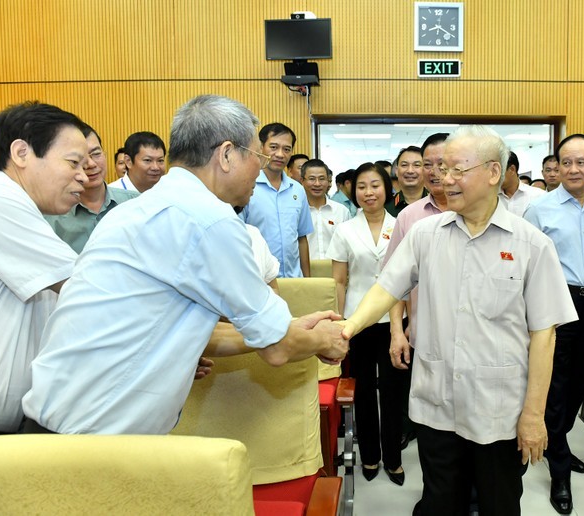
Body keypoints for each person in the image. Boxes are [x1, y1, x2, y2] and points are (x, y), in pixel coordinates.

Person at [21, 95, 348, 435]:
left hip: (56, 428)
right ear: (225, 155)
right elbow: (278, 348)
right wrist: (323, 339)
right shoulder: (208, 220)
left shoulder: (136, 210)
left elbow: (188, 329)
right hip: (92, 442)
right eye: (258, 156)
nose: (262, 168)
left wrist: (289, 327)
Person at [345, 126, 577, 515]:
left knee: (499, 503)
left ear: (491, 173)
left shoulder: (531, 244)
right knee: (440, 502)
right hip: (438, 403)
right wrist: (347, 330)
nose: (443, 179)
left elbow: (544, 336)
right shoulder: (424, 234)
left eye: (456, 169)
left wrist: (534, 416)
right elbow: (386, 289)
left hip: (498, 408)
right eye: (440, 168)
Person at [524, 133, 584, 515]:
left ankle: (556, 443)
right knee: (553, 383)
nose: (573, 169)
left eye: (582, 162)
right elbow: (527, 266)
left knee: (579, 381)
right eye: (566, 162)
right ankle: (560, 469)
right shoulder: (541, 209)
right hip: (554, 302)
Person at [0, 101, 87, 434]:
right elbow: (87, 290)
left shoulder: (22, 207)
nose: (84, 177)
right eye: (73, 162)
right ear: (21, 153)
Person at [327, 162, 404, 485]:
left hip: (392, 320)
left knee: (392, 391)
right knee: (361, 393)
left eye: (375, 185)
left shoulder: (401, 226)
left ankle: (394, 459)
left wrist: (400, 327)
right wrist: (341, 323)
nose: (368, 192)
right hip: (357, 322)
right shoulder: (344, 230)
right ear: (352, 190)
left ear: (387, 189)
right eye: (361, 186)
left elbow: (405, 281)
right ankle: (370, 456)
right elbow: (339, 281)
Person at [386, 132, 450, 450]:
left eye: (443, 163)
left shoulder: (482, 212)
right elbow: (392, 284)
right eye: (429, 164)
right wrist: (397, 332)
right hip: (424, 337)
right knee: (430, 426)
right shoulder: (409, 217)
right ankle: (436, 498)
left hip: (476, 342)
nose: (434, 171)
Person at [45, 124, 138, 253]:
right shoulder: (52, 216)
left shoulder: (136, 203)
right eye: (78, 158)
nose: (91, 164)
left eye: (96, 154)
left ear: (105, 154)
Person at [238, 123, 313, 277]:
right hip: (259, 281)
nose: (280, 154)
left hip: (295, 280)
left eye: (287, 149)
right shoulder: (245, 187)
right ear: (260, 148)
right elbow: (238, 237)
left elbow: (301, 238)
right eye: (273, 147)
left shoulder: (298, 190)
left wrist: (307, 279)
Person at [303, 159, 350, 260]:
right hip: (304, 273)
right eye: (312, 179)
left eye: (322, 179)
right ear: (302, 181)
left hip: (336, 271)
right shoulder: (297, 212)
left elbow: (349, 245)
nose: (317, 184)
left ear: (328, 181)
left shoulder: (342, 211)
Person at [499, 151, 545, 216]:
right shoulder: (489, 197)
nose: (493, 176)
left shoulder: (539, 196)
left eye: (497, 171)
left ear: (512, 169)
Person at [385, 146, 426, 216]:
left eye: (416, 165)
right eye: (404, 165)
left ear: (425, 170)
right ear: (397, 171)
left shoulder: (437, 203)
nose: (410, 171)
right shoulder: (385, 208)